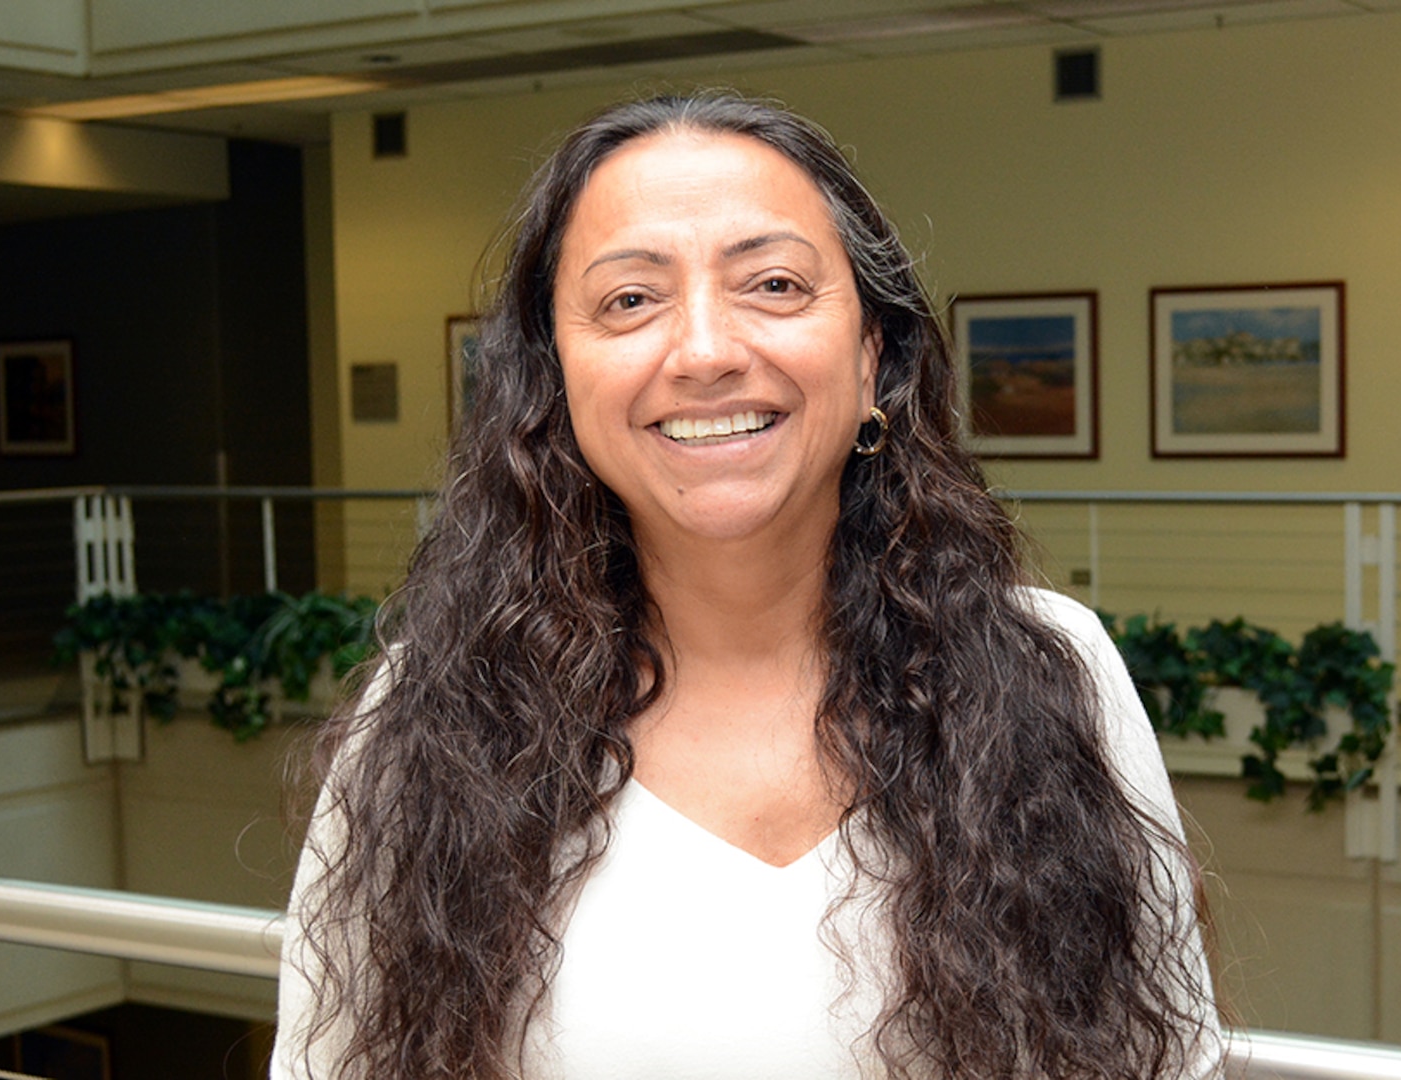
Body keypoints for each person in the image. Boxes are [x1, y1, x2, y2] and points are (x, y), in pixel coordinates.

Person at [273, 92, 1222, 1079]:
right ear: (554, 381)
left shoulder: (1046, 673)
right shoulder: (434, 712)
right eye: (630, 300)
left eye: (771, 283)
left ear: (870, 362)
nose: (707, 352)